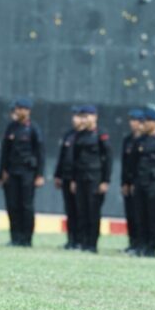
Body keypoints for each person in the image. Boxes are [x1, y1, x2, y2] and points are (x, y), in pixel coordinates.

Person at [0, 98, 45, 247]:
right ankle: (15, 237)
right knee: (12, 205)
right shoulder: (11, 127)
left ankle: (26, 239)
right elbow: (5, 152)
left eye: (19, 109)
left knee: (26, 206)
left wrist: (39, 175)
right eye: (16, 109)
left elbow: (40, 154)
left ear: (27, 110)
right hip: (12, 172)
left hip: (28, 173)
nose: (16, 111)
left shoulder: (34, 129)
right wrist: (2, 172)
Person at [128, 107, 155, 257]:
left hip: (154, 184)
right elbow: (133, 162)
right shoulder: (140, 140)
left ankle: (151, 247)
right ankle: (140, 245)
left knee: (152, 216)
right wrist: (131, 181)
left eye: (147, 121)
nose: (144, 124)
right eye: (142, 121)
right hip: (140, 182)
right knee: (139, 216)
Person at [70, 105, 111, 253]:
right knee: (81, 211)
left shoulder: (101, 134)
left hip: (95, 179)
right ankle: (82, 242)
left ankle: (92, 244)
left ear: (95, 117)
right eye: (82, 116)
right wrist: (73, 179)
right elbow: (74, 159)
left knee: (93, 212)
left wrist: (105, 180)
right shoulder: (79, 135)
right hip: (80, 178)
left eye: (87, 116)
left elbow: (108, 159)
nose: (84, 119)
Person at [54, 106, 82, 249]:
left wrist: (75, 179)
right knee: (70, 211)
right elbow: (63, 158)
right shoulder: (69, 135)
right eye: (75, 116)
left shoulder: (84, 136)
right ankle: (71, 240)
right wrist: (58, 175)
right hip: (66, 178)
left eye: (79, 116)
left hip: (79, 180)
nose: (76, 119)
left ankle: (80, 240)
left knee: (80, 211)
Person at [121, 109, 144, 254]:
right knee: (130, 214)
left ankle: (141, 244)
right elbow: (126, 164)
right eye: (131, 120)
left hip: (142, 183)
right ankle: (133, 243)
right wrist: (125, 182)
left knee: (140, 216)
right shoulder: (128, 140)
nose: (132, 123)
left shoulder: (145, 141)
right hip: (130, 183)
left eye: (135, 120)